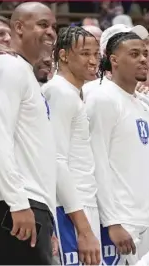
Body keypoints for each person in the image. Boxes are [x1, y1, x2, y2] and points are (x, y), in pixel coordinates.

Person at [0, 2, 59, 264]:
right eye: (43, 24)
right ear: (18, 27)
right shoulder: (6, 67)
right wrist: (18, 202)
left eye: (53, 26)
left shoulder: (22, 72)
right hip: (8, 202)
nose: (51, 32)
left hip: (22, 201)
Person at [86, 31, 149, 265]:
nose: (144, 59)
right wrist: (112, 222)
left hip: (145, 224)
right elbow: (97, 162)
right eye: (134, 54)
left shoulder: (143, 107)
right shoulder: (102, 99)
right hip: (119, 223)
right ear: (114, 60)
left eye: (146, 53)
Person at [43, 26, 103, 266]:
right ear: (64, 55)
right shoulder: (59, 93)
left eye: (96, 54)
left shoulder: (72, 93)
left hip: (81, 203)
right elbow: (56, 161)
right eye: (85, 53)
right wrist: (84, 229)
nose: (93, 60)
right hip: (68, 209)